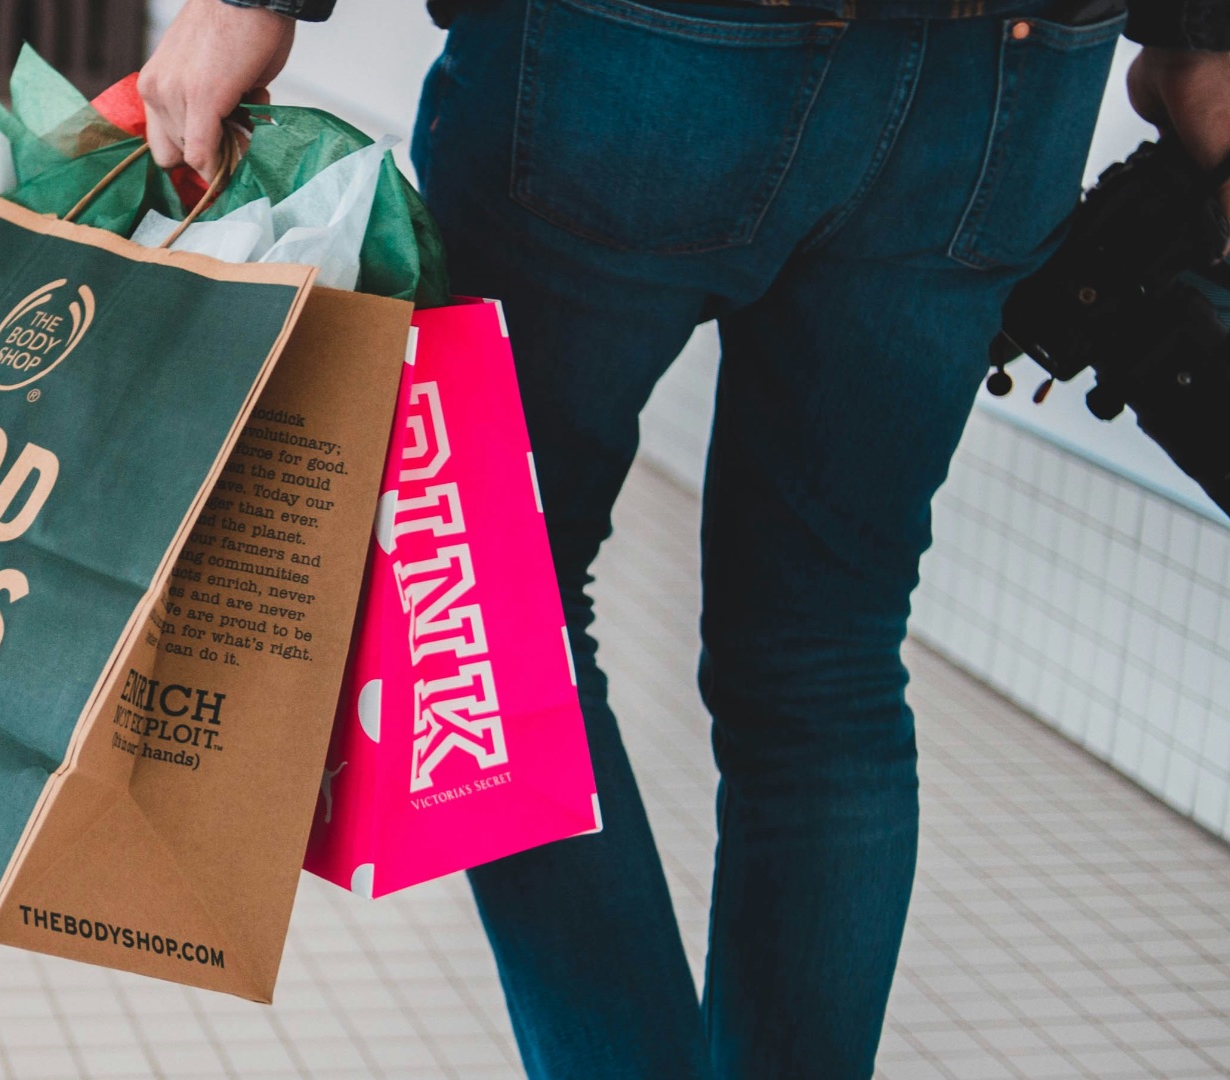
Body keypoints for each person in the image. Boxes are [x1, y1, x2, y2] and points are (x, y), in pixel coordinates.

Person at [140, 0, 1230, 1075]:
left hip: (634, 55)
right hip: (1008, 72)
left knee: (486, 606)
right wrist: (1200, 39)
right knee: (825, 657)